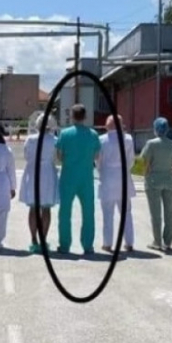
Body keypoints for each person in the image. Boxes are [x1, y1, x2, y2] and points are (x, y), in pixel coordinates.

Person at [55, 104, 101, 255]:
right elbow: (96, 156)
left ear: (72, 116)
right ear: (85, 116)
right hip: (86, 177)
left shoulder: (65, 134)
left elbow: (59, 156)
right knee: (88, 212)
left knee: (65, 212)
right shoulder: (93, 134)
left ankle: (64, 245)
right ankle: (88, 245)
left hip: (68, 176)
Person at [140, 117, 172, 252]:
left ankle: (157, 241)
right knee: (169, 213)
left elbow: (144, 163)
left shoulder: (151, 144)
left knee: (156, 214)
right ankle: (168, 241)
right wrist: (170, 171)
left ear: (155, 129)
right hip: (169, 180)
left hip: (153, 181)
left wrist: (146, 174)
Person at [18, 115, 59, 254]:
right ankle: (43, 239)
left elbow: (26, 156)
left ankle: (33, 239)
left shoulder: (30, 139)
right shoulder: (54, 140)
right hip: (48, 172)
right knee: (46, 208)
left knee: (33, 207)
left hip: (33, 171)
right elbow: (57, 158)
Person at [98, 115, 136, 253]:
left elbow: (98, 161)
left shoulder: (101, 140)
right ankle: (129, 242)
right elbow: (131, 160)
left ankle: (107, 243)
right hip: (123, 178)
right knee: (126, 213)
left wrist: (102, 171)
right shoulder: (128, 139)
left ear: (109, 125)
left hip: (107, 178)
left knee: (108, 214)